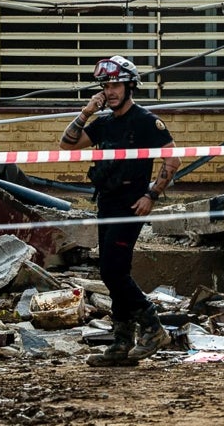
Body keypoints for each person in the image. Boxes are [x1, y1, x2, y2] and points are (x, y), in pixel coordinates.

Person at [60, 55, 181, 367]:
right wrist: (87, 112)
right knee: (115, 273)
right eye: (106, 85)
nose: (110, 91)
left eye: (116, 85)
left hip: (131, 205)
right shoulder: (104, 123)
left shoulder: (145, 121)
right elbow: (67, 144)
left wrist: (151, 195)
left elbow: (172, 160)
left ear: (130, 86)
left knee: (112, 271)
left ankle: (153, 327)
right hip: (107, 202)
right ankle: (121, 342)